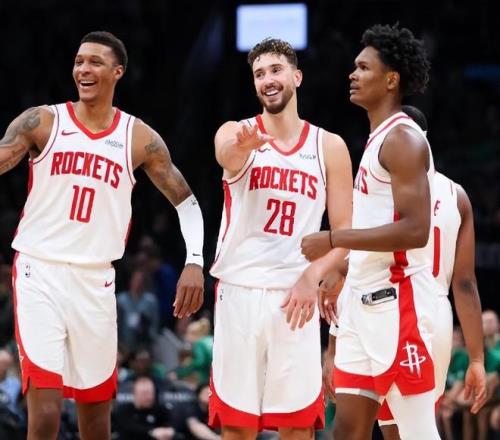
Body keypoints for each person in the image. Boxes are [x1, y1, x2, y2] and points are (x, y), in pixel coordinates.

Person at [0, 31, 204, 440]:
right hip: (40, 271)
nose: (83, 69)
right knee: (45, 410)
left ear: (117, 72)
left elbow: (186, 201)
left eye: (95, 61)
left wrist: (195, 261)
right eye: (79, 61)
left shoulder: (138, 138)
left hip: (96, 281)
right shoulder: (43, 121)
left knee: (96, 419)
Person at [301, 23, 440, 439]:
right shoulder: (377, 139)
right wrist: (344, 268)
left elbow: (415, 230)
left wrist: (334, 240)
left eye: (363, 67)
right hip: (362, 306)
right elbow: (376, 224)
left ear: (391, 80)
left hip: (398, 307)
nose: (353, 74)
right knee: (346, 430)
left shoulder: (403, 141)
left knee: (416, 434)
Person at [209, 38, 353, 439]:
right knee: (237, 427)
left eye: (275, 70)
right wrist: (240, 148)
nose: (267, 80)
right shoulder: (237, 131)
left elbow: (346, 234)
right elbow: (225, 155)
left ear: (297, 77)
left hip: (296, 297)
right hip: (239, 290)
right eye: (259, 74)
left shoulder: (329, 146)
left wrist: (313, 276)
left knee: (297, 427)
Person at [375, 105, 487, 439]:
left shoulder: (382, 188)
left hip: (395, 307)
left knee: (400, 428)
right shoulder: (457, 195)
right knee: (419, 424)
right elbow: (465, 284)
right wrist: (476, 358)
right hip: (438, 313)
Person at [114, 376, 175, 440]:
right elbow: (129, 428)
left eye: (151, 393)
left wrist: (168, 432)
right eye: (144, 393)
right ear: (135, 394)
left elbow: (170, 427)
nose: (148, 397)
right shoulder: (124, 410)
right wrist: (152, 431)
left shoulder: (161, 410)